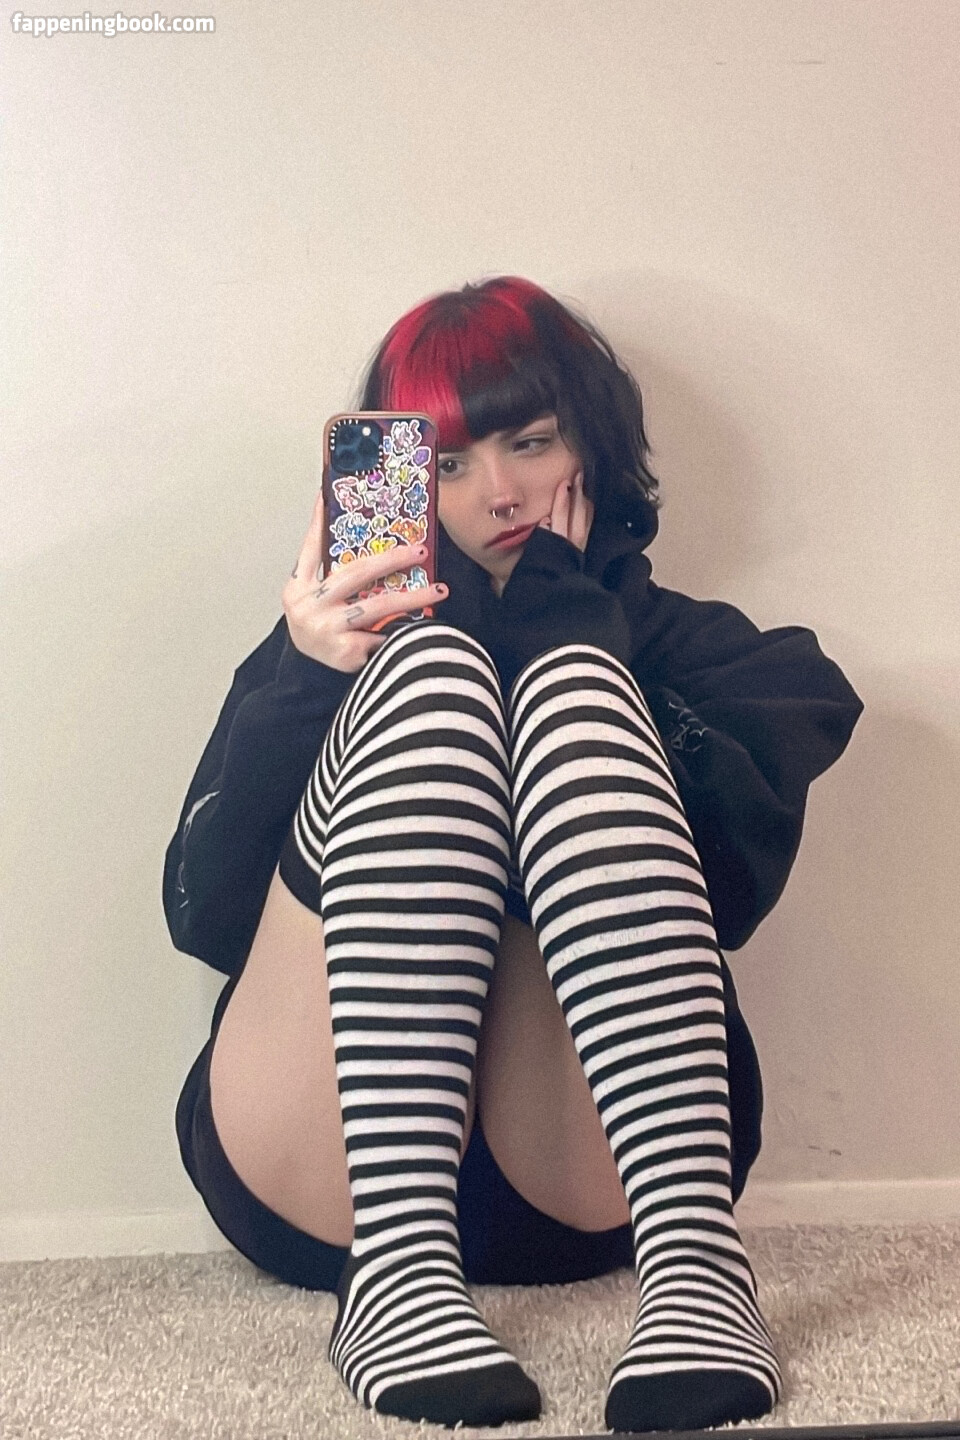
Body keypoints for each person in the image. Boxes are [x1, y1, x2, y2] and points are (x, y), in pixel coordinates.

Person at [163, 276, 864, 1432]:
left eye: (530, 442)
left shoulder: (711, 653)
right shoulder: (321, 645)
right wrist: (306, 679)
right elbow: (206, 915)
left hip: (592, 1171)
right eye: (444, 462)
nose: (496, 492)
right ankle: (398, 1278)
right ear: (397, 479)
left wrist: (571, 634)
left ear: (589, 442)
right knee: (428, 669)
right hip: (329, 1175)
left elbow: (728, 898)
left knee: (571, 687)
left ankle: (696, 1267)